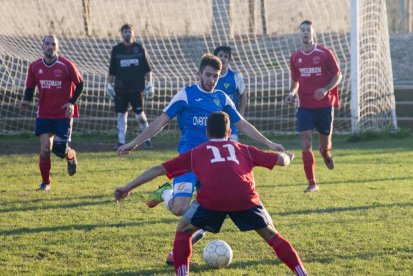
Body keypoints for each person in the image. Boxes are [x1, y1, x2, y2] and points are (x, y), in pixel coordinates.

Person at [117, 53, 285, 264]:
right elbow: (160, 122)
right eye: (208, 75)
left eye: (215, 76)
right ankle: (166, 192)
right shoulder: (185, 95)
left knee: (209, 213)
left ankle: (175, 253)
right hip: (189, 161)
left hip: (214, 165)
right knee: (179, 208)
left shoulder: (222, 98)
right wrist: (134, 143)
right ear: (198, 73)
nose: (211, 80)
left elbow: (242, 124)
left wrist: (269, 144)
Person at [115, 112, 307, 276]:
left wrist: (127, 187)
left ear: (207, 133)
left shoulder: (197, 152)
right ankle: (301, 273)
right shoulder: (244, 149)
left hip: (212, 200)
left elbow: (158, 169)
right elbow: (280, 160)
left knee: (183, 231)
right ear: (229, 133)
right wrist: (288, 157)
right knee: (272, 235)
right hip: (245, 198)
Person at [19, 35, 84, 192]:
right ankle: (46, 182)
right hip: (44, 114)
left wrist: (71, 103)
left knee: (60, 149)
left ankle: (71, 156)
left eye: (53, 44)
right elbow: (30, 87)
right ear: (42, 46)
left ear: (57, 47)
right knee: (45, 148)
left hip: (64, 115)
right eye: (47, 44)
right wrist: (26, 100)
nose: (50, 46)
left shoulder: (66, 65)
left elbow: (80, 84)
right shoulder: (34, 67)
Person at [285, 20, 342, 193]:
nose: (305, 33)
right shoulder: (295, 57)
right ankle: (312, 182)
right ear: (299, 33)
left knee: (325, 141)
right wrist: (291, 93)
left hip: (324, 104)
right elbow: (295, 81)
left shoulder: (325, 53)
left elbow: (338, 75)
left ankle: (325, 151)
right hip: (304, 105)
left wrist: (325, 89)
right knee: (305, 141)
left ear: (313, 33)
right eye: (302, 30)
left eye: (308, 30)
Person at [107, 23, 153, 151]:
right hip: (121, 89)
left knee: (140, 116)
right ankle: (121, 142)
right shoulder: (116, 50)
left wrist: (150, 84)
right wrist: (109, 85)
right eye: (125, 31)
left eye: (129, 31)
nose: (127, 33)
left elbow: (148, 70)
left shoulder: (139, 48)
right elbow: (112, 71)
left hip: (137, 89)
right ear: (121, 34)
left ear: (133, 33)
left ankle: (147, 139)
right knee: (121, 115)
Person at [213, 45, 247, 141]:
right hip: (212, 120)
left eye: (226, 56)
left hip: (231, 121)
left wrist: (241, 114)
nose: (223, 58)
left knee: (232, 147)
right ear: (215, 58)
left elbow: (243, 95)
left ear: (229, 60)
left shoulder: (236, 77)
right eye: (220, 55)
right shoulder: (209, 77)